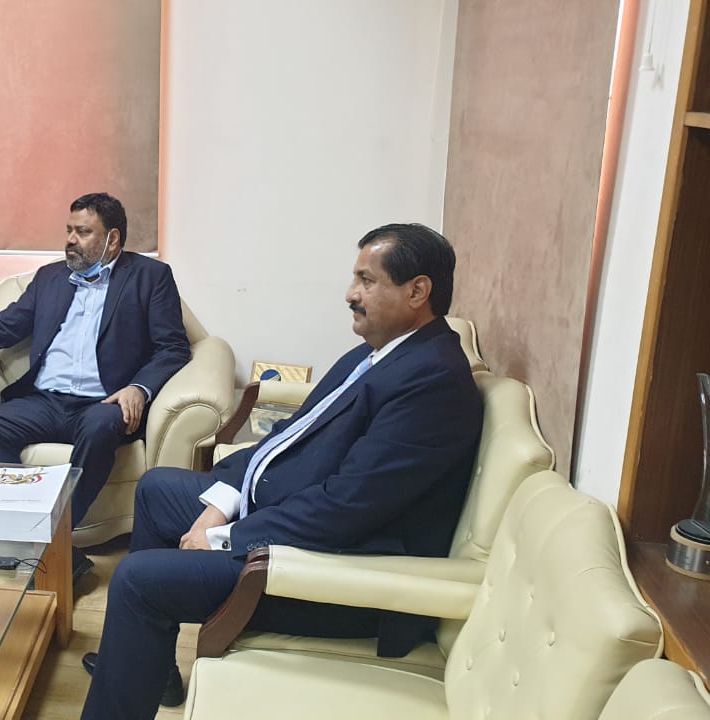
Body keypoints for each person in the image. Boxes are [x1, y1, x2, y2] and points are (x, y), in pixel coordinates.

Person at [80, 223, 484, 718]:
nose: (350, 294)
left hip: (338, 575)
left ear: (417, 291)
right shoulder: (378, 353)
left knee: (138, 580)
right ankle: (149, 666)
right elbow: (288, 434)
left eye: (366, 280)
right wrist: (220, 505)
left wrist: (226, 537)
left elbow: (346, 510)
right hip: (292, 517)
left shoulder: (433, 383)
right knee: (157, 489)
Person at [0, 193, 191, 580]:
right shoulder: (50, 278)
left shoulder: (150, 277)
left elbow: (173, 347)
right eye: (69, 230)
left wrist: (139, 388)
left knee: (101, 427)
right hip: (45, 401)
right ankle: (49, 543)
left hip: (104, 403)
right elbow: (0, 328)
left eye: (83, 232)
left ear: (113, 239)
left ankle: (48, 536)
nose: (70, 239)